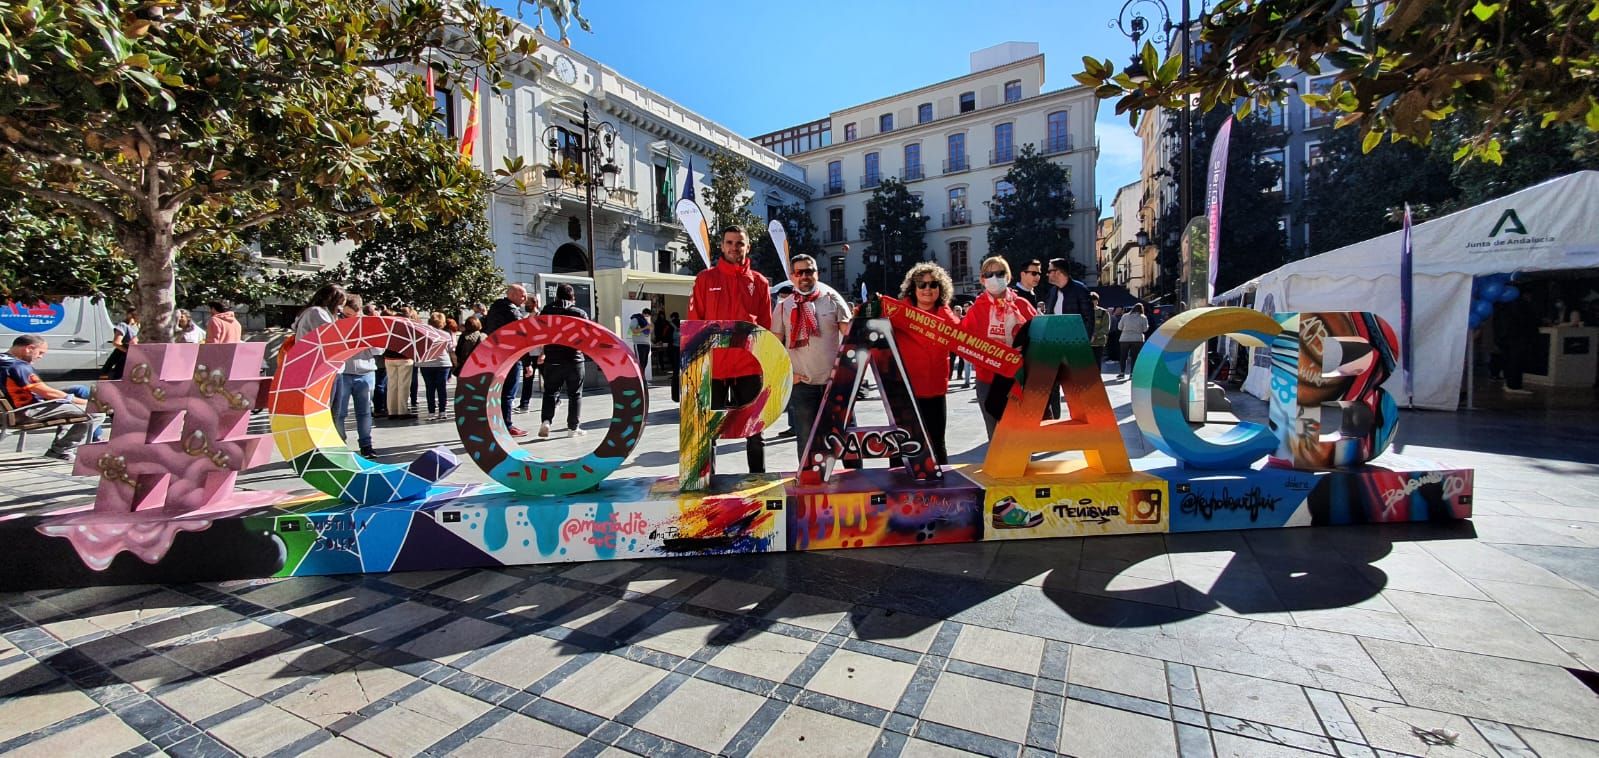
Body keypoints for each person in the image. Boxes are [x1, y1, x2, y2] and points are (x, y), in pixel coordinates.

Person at [688, 224, 772, 473]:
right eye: (730, 242)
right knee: (706, 432)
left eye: (740, 243)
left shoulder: (760, 282)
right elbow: (695, 322)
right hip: (713, 367)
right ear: (722, 245)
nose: (735, 247)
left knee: (755, 430)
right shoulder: (705, 279)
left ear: (748, 246)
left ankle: (758, 482)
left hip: (748, 367)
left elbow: (765, 327)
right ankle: (708, 482)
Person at [771, 254, 851, 460]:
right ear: (792, 276)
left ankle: (856, 481)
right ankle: (810, 487)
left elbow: (851, 336)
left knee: (848, 439)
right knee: (807, 442)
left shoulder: (832, 299)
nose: (805, 276)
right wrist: (789, 375)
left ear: (817, 273)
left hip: (834, 385)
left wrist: (848, 373)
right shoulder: (783, 307)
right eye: (800, 272)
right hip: (803, 385)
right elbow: (774, 346)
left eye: (809, 271)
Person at [960, 256, 1038, 438]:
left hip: (1018, 377)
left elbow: (1039, 337)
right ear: (982, 279)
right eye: (989, 274)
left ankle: (1022, 464)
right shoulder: (976, 309)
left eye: (999, 273)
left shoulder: (1022, 305)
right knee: (995, 432)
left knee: (1021, 431)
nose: (994, 277)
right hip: (987, 378)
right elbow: (963, 342)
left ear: (1008, 277)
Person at [893, 263, 959, 465]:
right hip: (906, 391)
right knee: (901, 444)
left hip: (935, 390)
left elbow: (961, 338)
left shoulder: (946, 315)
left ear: (941, 288)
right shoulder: (898, 313)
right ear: (913, 288)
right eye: (921, 284)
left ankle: (942, 490)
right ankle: (896, 488)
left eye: (933, 284)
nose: (927, 289)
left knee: (937, 442)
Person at [2, 336, 105, 462]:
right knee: (97, 411)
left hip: (12, 409)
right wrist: (81, 402)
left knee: (78, 389)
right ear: (29, 348)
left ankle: (91, 435)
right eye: (40, 353)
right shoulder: (18, 366)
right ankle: (61, 450)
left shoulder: (4, 360)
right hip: (27, 411)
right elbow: (46, 392)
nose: (40, 357)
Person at [538, 283, 590, 437]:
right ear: (572, 296)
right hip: (574, 359)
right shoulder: (579, 313)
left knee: (550, 392)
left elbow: (540, 333)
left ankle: (546, 421)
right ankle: (573, 428)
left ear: (556, 296)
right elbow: (587, 335)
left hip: (552, 359)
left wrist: (543, 351)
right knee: (575, 394)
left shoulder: (546, 311)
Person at [483, 284, 535, 437]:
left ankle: (495, 424)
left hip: (495, 355)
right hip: (510, 357)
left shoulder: (494, 308)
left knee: (496, 393)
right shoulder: (512, 312)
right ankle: (506, 425)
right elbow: (521, 339)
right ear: (512, 295)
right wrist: (527, 363)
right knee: (508, 394)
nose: (525, 298)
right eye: (522, 295)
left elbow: (486, 329)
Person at [418, 312, 454, 420]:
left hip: (426, 363)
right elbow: (450, 349)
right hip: (443, 363)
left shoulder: (423, 334)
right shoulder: (446, 335)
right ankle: (442, 411)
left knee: (430, 388)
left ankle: (431, 412)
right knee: (442, 388)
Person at [1117, 303, 1151, 379]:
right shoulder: (1143, 317)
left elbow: (1119, 327)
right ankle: (1132, 373)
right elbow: (1145, 329)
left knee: (1123, 356)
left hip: (1124, 339)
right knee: (1134, 357)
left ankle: (1122, 373)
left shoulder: (1125, 316)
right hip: (1137, 339)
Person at [101, 310, 138, 380]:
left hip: (133, 358)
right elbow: (116, 343)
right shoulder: (124, 325)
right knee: (119, 378)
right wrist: (129, 352)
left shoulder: (138, 326)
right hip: (123, 357)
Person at [1089, 292, 1111, 372]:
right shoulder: (1083, 312)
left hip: (1098, 343)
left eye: (1094, 300)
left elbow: (1106, 328)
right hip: (1085, 343)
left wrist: (1094, 336)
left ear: (1097, 301)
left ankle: (1096, 382)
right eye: (1090, 300)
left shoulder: (1103, 312)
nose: (1092, 302)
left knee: (1097, 364)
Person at [628, 307, 653, 376]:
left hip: (646, 344)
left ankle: (642, 378)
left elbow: (650, 332)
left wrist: (650, 325)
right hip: (639, 344)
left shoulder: (647, 321)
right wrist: (645, 327)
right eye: (646, 316)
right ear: (643, 314)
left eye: (649, 316)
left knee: (644, 363)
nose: (647, 317)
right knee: (640, 363)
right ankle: (639, 379)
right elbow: (633, 331)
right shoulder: (636, 319)